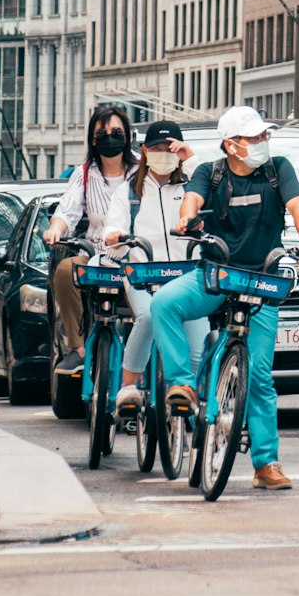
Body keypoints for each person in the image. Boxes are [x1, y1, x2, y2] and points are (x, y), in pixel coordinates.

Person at [150, 106, 299, 491]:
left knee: (259, 375)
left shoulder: (279, 169)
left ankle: (266, 464)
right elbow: (191, 201)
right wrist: (185, 218)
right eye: (254, 137)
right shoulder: (210, 172)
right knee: (164, 304)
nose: (263, 142)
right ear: (231, 145)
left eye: (264, 136)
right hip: (216, 276)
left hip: (262, 281)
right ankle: (181, 384)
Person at [103, 119, 207, 416]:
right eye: (157, 148)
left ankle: (189, 405)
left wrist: (191, 158)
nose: (164, 154)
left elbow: (213, 188)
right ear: (145, 151)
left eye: (170, 148)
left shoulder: (193, 187)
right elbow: (113, 228)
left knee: (197, 349)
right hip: (142, 277)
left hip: (186, 277)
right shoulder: (129, 193)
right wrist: (114, 235)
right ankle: (128, 388)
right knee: (148, 316)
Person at [44, 105, 138, 374]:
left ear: (127, 135)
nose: (110, 138)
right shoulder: (84, 172)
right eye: (102, 133)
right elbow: (67, 209)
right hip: (96, 254)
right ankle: (77, 348)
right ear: (92, 139)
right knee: (65, 271)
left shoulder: (143, 170)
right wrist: (56, 230)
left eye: (116, 132)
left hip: (137, 257)